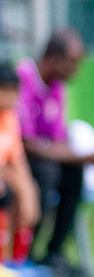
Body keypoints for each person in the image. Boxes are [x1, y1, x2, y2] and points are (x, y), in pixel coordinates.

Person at [18, 29, 94, 275]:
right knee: (47, 173)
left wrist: (90, 156)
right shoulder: (23, 78)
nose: (76, 70)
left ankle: (55, 253)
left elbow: (57, 139)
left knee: (73, 171)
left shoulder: (57, 88)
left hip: (43, 160)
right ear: (52, 58)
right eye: (72, 62)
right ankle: (27, 255)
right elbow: (28, 143)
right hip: (17, 162)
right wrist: (86, 156)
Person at [0, 61, 41, 262]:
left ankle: (17, 262)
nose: (10, 99)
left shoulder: (9, 117)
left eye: (14, 92)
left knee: (27, 192)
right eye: (5, 91)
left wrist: (27, 191)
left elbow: (17, 159)